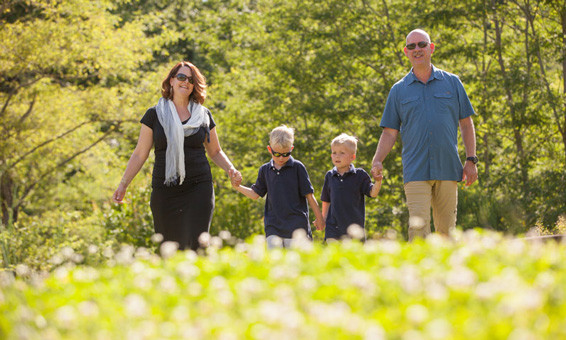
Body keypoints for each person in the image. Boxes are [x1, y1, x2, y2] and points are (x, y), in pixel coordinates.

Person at [113, 61, 241, 251]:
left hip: (199, 187)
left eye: (191, 79)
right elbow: (140, 154)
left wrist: (231, 168)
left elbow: (215, 151)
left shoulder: (203, 115)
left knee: (198, 245)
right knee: (168, 249)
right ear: (171, 81)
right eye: (181, 77)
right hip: (165, 189)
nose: (186, 82)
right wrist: (123, 184)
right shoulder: (154, 115)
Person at [371, 29, 478, 241]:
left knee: (446, 233)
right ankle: (419, 274)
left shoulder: (453, 82)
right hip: (415, 169)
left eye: (421, 44)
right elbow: (390, 132)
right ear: (406, 52)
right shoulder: (398, 90)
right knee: (418, 231)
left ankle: (445, 275)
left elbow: (466, 124)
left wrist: (471, 160)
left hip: (448, 167)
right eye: (411, 46)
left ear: (431, 48)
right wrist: (377, 160)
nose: (417, 49)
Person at [230, 125, 325, 248]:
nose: (281, 158)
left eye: (286, 154)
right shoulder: (265, 170)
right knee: (275, 262)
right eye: (277, 154)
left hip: (296, 226)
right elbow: (255, 194)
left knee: (295, 264)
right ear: (270, 149)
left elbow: (309, 196)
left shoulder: (297, 167)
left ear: (291, 148)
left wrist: (320, 218)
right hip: (273, 226)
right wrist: (238, 187)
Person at [321, 134, 382, 242]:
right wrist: (323, 219)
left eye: (342, 153)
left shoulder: (359, 175)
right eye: (334, 153)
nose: (337, 156)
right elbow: (326, 200)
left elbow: (373, 193)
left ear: (352, 157)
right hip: (333, 229)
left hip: (354, 230)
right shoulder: (329, 176)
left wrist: (378, 181)